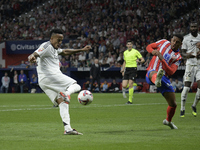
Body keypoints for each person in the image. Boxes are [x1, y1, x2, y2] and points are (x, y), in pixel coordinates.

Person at [28, 29, 91, 135]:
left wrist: (82, 50)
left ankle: (68, 129)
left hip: (44, 82)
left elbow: (65, 51)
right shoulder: (47, 46)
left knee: (62, 102)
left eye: (61, 40)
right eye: (58, 40)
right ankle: (67, 93)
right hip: (51, 76)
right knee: (76, 85)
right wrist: (32, 57)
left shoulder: (54, 48)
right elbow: (35, 54)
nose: (60, 42)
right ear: (51, 39)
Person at [145, 34, 183, 129]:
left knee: (173, 104)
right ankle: (156, 79)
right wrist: (153, 51)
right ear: (171, 39)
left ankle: (168, 121)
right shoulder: (163, 42)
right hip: (151, 72)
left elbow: (171, 72)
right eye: (173, 40)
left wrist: (162, 59)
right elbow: (149, 46)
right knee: (153, 73)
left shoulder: (178, 57)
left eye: (177, 42)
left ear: (180, 44)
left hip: (164, 78)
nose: (174, 43)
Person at [180, 21, 200, 117]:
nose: (193, 28)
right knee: (186, 88)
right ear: (190, 28)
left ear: (197, 27)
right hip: (190, 66)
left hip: (199, 65)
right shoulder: (186, 38)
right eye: (192, 26)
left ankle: (194, 105)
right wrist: (188, 55)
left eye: (195, 26)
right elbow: (183, 53)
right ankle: (182, 108)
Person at [120, 40, 145, 104]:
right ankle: (136, 84)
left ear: (132, 45)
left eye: (130, 44)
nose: (129, 45)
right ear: (126, 45)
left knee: (130, 84)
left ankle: (130, 101)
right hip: (127, 69)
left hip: (133, 69)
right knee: (124, 85)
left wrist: (138, 61)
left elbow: (143, 60)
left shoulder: (135, 51)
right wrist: (123, 69)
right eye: (128, 44)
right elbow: (125, 61)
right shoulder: (125, 52)